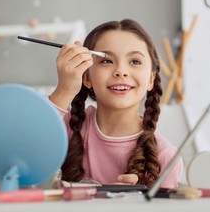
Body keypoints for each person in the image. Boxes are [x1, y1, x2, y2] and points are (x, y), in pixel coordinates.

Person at [49, 19, 183, 188]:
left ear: (151, 79)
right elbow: (21, 151)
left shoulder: (165, 157)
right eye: (106, 61)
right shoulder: (63, 127)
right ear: (87, 77)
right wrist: (64, 90)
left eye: (135, 61)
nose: (121, 71)